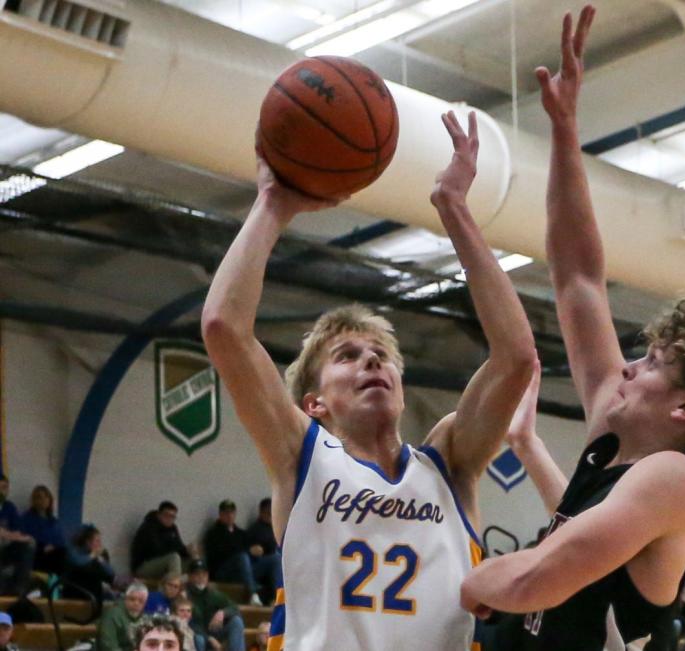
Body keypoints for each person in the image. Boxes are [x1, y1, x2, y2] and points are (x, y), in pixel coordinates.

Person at [460, 6, 685, 650]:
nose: (629, 367)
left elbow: (538, 576)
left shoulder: (674, 477)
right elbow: (578, 280)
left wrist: (455, 583)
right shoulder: (614, 440)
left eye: (652, 363)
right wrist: (563, 132)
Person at [201, 110, 536, 650]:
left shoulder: (450, 460)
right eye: (348, 356)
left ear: (401, 386)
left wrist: (455, 211)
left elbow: (516, 357)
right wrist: (273, 204)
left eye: (382, 354)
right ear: (314, 402)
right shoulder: (300, 457)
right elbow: (223, 328)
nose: (372, 362)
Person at [202, 500, 276, 606]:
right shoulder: (213, 534)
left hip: (244, 570)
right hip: (224, 572)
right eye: (226, 513)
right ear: (220, 514)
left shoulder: (241, 533)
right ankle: (253, 594)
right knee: (242, 557)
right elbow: (219, 555)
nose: (229, 516)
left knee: (274, 559)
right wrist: (248, 552)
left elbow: (250, 550)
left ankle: (276, 597)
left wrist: (257, 550)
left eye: (232, 513)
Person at [185, 559, 244, 651]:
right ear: (190, 576)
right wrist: (209, 638)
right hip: (195, 635)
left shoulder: (212, 593)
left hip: (213, 632)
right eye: (197, 574)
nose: (201, 577)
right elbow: (188, 623)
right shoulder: (184, 595)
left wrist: (222, 613)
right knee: (199, 638)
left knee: (236, 621)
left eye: (204, 574)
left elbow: (235, 607)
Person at [131, 502, 195, 579]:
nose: (169, 519)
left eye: (173, 517)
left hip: (165, 563)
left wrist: (189, 552)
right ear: (159, 514)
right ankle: (173, 586)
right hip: (144, 566)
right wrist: (177, 549)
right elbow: (157, 551)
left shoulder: (173, 528)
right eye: (167, 515)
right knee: (174, 558)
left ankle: (196, 589)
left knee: (195, 563)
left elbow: (179, 547)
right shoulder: (149, 528)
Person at [19, 485, 66, 575]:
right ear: (35, 500)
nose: (44, 500)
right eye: (40, 497)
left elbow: (61, 541)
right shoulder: (27, 518)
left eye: (46, 497)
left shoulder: (53, 521)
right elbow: (24, 539)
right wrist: (42, 547)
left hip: (54, 552)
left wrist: (54, 546)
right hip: (36, 554)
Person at [64, 524, 116, 603]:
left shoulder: (99, 556)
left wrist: (102, 562)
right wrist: (93, 555)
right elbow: (78, 563)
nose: (100, 544)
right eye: (97, 541)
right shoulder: (75, 552)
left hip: (94, 594)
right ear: (88, 542)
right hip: (75, 594)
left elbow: (111, 575)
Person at [0, 476, 34, 596]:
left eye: (4, 487)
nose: (1, 491)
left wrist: (12, 536)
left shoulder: (9, 507)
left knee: (28, 543)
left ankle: (20, 589)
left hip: (6, 548)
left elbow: (19, 532)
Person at [98, 582, 148, 651]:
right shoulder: (112, 615)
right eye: (132, 599)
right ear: (125, 599)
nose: (136, 604)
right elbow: (108, 646)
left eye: (141, 601)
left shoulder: (145, 618)